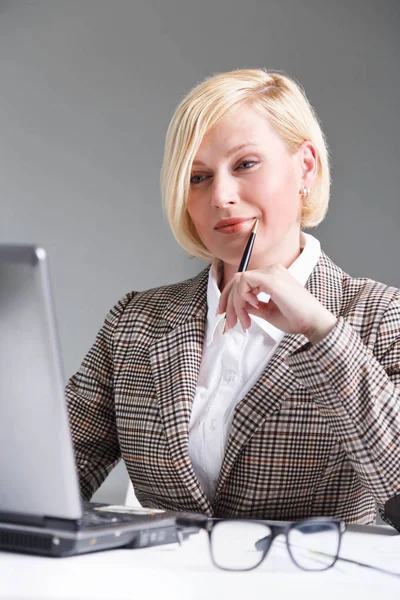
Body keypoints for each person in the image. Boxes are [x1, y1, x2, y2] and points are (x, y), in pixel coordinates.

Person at [66, 68, 400, 526]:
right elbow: (47, 475)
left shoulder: (381, 318)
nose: (221, 196)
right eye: (198, 177)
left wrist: (320, 333)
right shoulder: (135, 322)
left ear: (305, 166)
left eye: (245, 164)